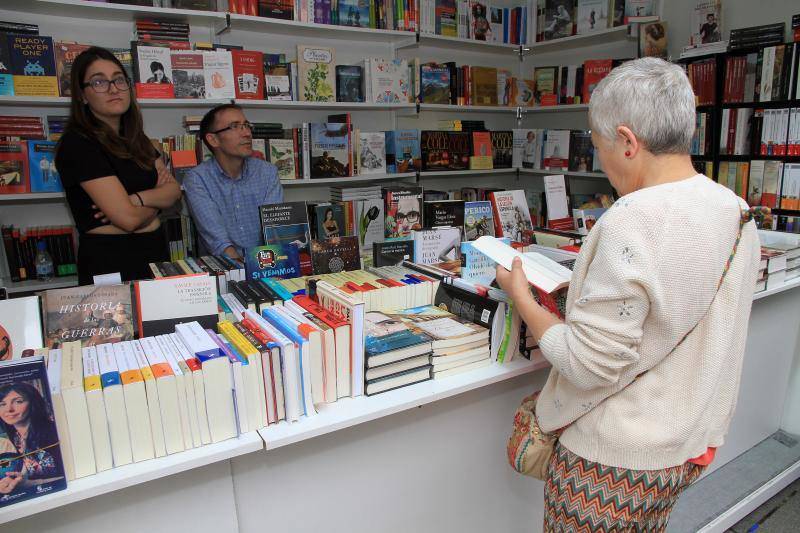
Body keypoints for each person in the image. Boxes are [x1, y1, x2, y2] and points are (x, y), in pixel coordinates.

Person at [495, 58, 761, 531]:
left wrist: (523, 298)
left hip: (612, 461)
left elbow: (586, 363)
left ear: (628, 141)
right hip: (687, 447)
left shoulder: (634, 218)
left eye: (600, 147)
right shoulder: (735, 210)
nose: (602, 162)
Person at [55, 47, 182, 285]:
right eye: (99, 82)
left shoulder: (138, 139)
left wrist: (135, 199)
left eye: (119, 79)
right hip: (110, 261)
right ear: (82, 95)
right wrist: (154, 198)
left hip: (155, 253)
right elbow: (128, 220)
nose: (113, 88)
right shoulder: (77, 145)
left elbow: (174, 193)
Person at [182, 104, 283, 261]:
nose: (247, 133)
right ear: (213, 139)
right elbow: (218, 242)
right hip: (224, 269)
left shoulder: (268, 172)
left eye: (246, 125)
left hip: (267, 265)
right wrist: (244, 271)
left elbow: (273, 231)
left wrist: (263, 269)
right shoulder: (197, 179)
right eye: (235, 127)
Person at [0, 382, 65, 495]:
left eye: (18, 401)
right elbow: (28, 468)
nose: (9, 409)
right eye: (2, 404)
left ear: (33, 404)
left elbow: (67, 477)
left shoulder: (52, 432)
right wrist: (14, 480)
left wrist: (28, 483)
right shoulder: (15, 436)